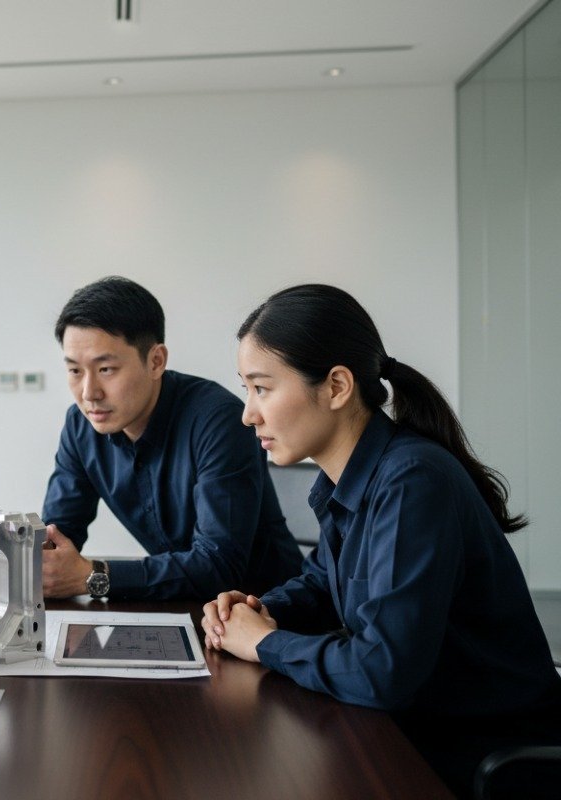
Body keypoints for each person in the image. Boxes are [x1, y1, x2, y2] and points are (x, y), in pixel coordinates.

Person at [203, 283, 561, 797]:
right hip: (411, 731)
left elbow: (383, 670)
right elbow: (325, 582)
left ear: (337, 386)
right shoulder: (350, 478)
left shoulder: (413, 481)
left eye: (262, 388)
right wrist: (258, 609)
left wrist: (265, 642)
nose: (248, 414)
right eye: (246, 390)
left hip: (478, 754)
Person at [41, 276, 302, 600]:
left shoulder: (220, 421)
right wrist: (43, 565)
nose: (89, 393)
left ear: (156, 361)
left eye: (106, 369)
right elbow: (56, 540)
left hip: (271, 611)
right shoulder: (81, 427)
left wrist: (94, 577)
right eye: (75, 371)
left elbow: (218, 566)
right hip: (175, 608)